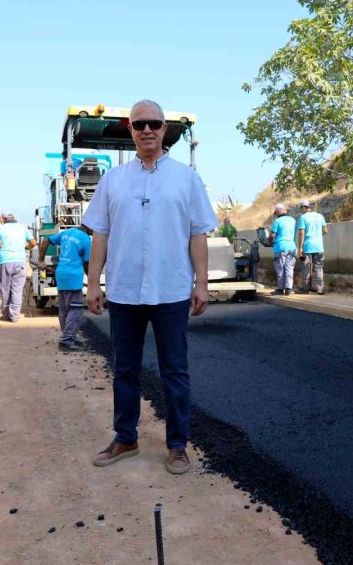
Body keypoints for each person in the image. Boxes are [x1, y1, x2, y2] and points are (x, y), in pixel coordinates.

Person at [83, 99, 216, 475]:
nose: (147, 130)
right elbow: (101, 235)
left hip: (171, 289)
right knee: (125, 368)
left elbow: (198, 234)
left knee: (175, 370)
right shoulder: (114, 180)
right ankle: (126, 438)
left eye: (154, 124)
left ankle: (177, 445)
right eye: (139, 124)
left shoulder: (186, 179)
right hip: (124, 291)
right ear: (130, 128)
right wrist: (94, 283)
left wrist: (201, 284)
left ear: (163, 129)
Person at [37, 226, 91, 351]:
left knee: (64, 310)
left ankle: (68, 337)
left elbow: (46, 241)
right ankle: (67, 340)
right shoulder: (86, 239)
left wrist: (40, 260)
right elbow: (88, 264)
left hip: (61, 275)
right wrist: (93, 283)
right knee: (75, 309)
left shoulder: (67, 232)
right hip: (73, 277)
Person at [0, 211, 36, 322]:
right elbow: (33, 242)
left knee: (5, 288)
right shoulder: (22, 228)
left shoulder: (0, 229)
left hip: (4, 261)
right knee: (17, 290)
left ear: (3, 219)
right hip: (20, 262)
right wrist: (25, 247)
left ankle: (6, 313)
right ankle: (14, 316)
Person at [297, 200, 329, 294]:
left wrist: (300, 248)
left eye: (301, 208)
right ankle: (320, 289)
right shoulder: (320, 216)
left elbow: (301, 233)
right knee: (319, 267)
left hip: (307, 246)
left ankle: (306, 289)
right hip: (319, 246)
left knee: (306, 267)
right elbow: (326, 231)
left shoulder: (303, 217)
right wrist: (318, 236)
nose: (301, 210)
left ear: (304, 207)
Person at [268, 203, 297, 295]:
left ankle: (280, 289)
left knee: (280, 268)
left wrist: (269, 241)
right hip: (292, 247)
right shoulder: (293, 220)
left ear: (278, 211)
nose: (276, 214)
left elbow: (272, 235)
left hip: (280, 247)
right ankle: (288, 289)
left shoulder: (278, 221)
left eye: (276, 212)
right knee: (289, 268)